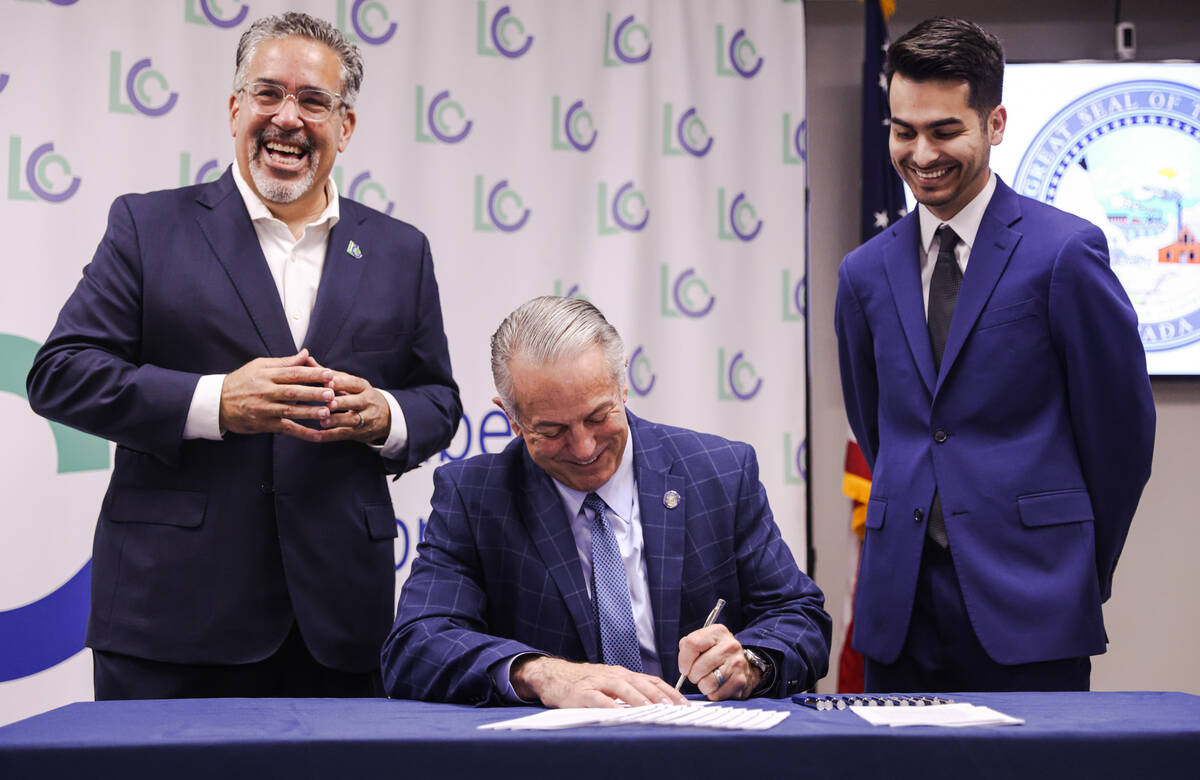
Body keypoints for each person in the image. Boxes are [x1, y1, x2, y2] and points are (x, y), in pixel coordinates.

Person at [26, 12, 461, 700]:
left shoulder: (400, 251)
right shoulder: (147, 226)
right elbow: (61, 374)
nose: (287, 117)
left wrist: (383, 415)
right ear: (235, 109)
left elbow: (439, 402)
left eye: (313, 101)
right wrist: (215, 402)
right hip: (167, 623)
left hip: (341, 627)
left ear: (345, 126)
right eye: (268, 94)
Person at [835, 17, 1155, 692]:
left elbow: (1120, 435)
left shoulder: (1065, 253)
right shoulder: (862, 275)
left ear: (995, 122)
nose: (921, 153)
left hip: (1033, 596)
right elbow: (881, 428)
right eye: (903, 131)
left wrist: (1075, 566)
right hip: (899, 607)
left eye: (945, 130)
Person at [382, 296, 830, 707]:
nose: (583, 448)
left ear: (622, 386)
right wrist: (539, 674)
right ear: (512, 420)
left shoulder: (720, 472)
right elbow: (416, 645)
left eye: (598, 417)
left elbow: (801, 618)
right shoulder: (475, 495)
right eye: (552, 431)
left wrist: (751, 663)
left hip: (702, 748)